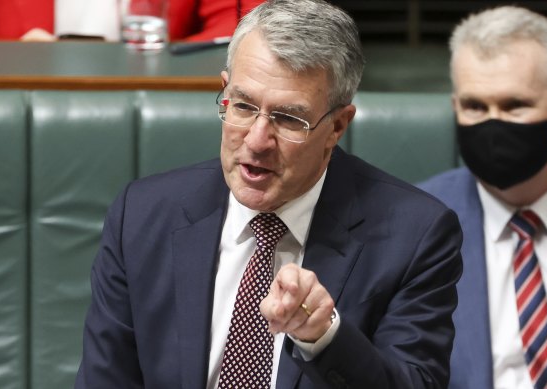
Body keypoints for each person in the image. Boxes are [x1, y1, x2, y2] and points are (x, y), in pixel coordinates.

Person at [75, 0, 463, 387]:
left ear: (337, 126)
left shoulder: (415, 236)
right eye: (243, 106)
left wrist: (323, 337)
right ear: (225, 90)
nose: (258, 140)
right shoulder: (142, 216)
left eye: (288, 119)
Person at [418, 6, 547, 389]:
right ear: (454, 108)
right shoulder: (414, 225)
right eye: (475, 107)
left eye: (515, 106)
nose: (493, 124)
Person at [0, 0, 263, 42]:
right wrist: (11, 55)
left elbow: (239, 21)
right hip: (14, 101)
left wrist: (167, 61)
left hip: (154, 98)